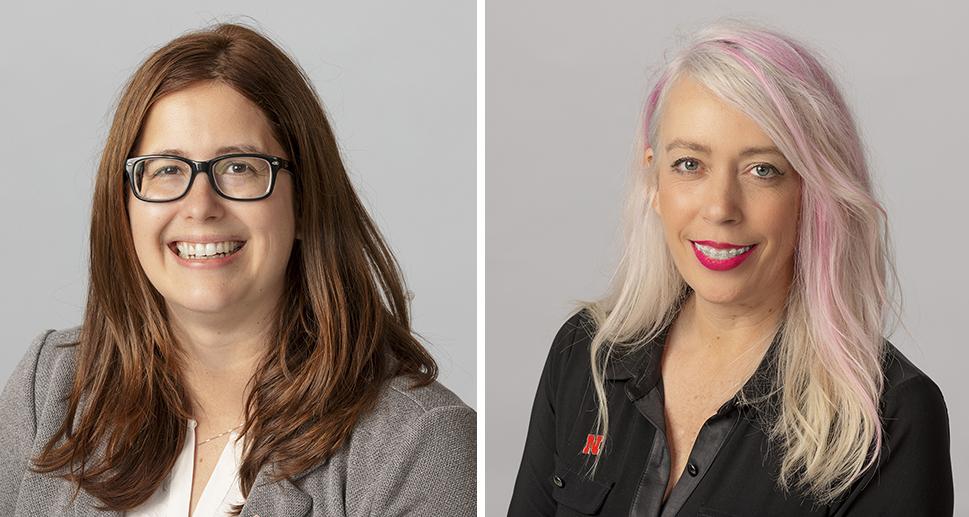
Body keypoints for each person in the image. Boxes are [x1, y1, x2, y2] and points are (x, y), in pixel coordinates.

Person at [0, 23, 475, 516]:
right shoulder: (50, 389)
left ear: (306, 201)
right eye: (166, 169)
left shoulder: (419, 443)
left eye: (240, 167)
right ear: (124, 206)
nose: (200, 205)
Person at [508, 22, 952, 516]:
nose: (720, 208)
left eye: (763, 169)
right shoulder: (584, 354)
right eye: (690, 165)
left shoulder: (891, 418)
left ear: (815, 194)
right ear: (653, 179)